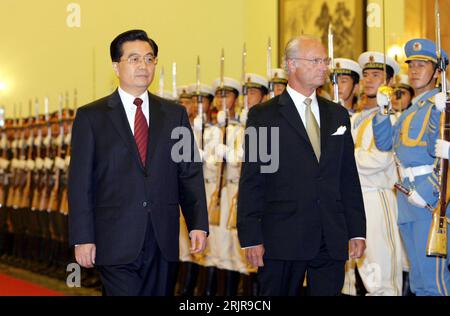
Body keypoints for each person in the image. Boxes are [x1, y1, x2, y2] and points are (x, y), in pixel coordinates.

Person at [68, 29, 209, 296]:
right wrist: (82, 237)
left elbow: (188, 172)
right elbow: (80, 183)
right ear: (116, 66)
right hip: (114, 238)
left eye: (149, 58)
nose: (143, 66)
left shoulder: (174, 114)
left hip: (162, 237)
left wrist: (198, 223)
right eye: (134, 59)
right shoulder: (92, 117)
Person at [237, 35, 366, 296]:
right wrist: (251, 236)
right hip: (281, 237)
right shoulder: (264, 116)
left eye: (325, 61)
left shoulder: (337, 114)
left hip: (330, 236)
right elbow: (253, 179)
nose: (324, 67)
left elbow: (347, 177)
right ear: (292, 64)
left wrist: (357, 231)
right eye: (316, 61)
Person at [372, 38, 450, 296]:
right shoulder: (411, 109)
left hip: (429, 201)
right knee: (417, 280)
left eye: (422, 65)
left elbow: (440, 154)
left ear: (438, 72)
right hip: (406, 198)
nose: (414, 70)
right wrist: (383, 111)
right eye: (412, 65)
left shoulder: (441, 105)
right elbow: (385, 144)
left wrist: (428, 193)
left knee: (433, 281)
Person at [342, 52, 403, 296]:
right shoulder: (356, 119)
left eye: (376, 75)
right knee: (352, 274)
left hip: (375, 198)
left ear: (388, 83)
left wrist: (345, 160)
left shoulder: (390, 118)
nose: (368, 80)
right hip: (352, 199)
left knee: (381, 275)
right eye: (365, 75)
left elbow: (380, 158)